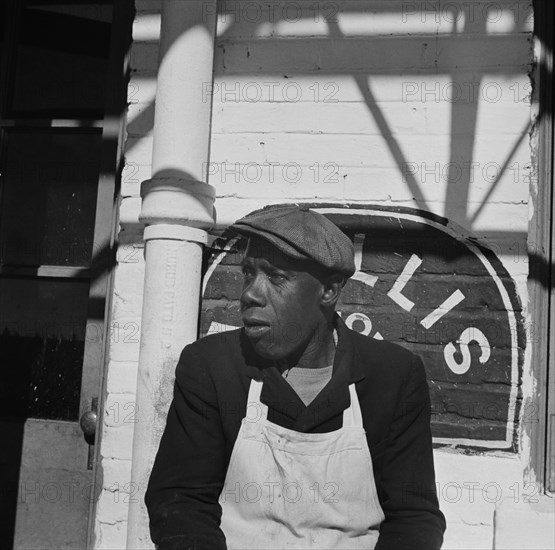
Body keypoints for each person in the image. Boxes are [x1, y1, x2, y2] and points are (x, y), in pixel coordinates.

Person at [145, 204, 446, 550]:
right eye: (248, 273)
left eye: (275, 277)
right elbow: (181, 503)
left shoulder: (391, 377)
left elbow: (414, 518)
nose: (249, 294)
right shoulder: (212, 367)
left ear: (329, 290)